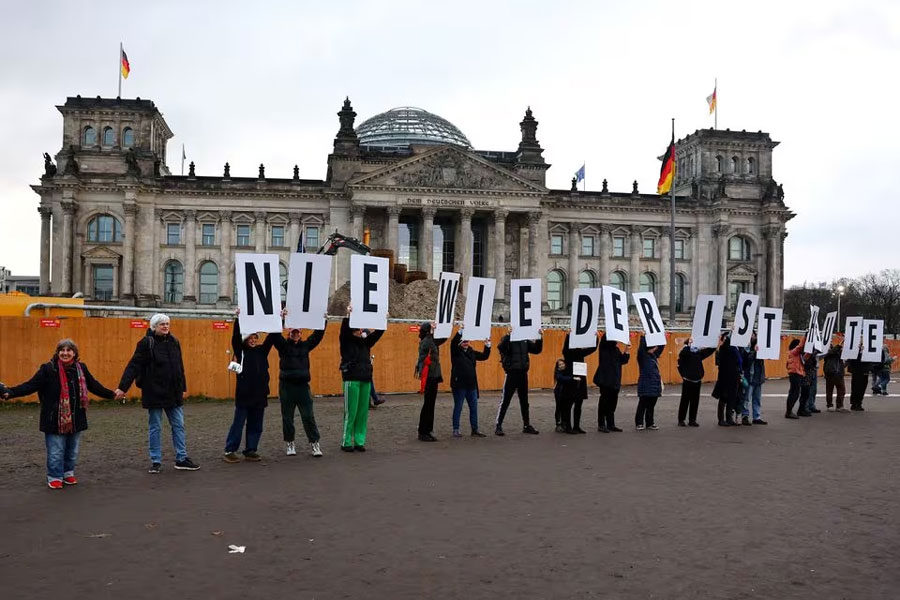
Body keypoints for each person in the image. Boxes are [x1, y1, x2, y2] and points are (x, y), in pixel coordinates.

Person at [2, 339, 116, 488]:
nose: (65, 353)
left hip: (76, 416)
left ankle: (68, 472)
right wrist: (10, 392)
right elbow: (30, 385)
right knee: (56, 450)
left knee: (72, 450)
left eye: (69, 350)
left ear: (74, 353)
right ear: (58, 352)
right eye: (62, 350)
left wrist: (112, 395)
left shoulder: (81, 368)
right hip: (53, 417)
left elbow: (93, 385)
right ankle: (54, 476)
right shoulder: (48, 369)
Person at [116, 314, 200, 474]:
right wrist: (122, 387)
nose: (166, 326)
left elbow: (179, 366)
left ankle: (181, 458)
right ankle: (156, 461)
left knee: (179, 426)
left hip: (173, 393)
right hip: (153, 392)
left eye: (167, 324)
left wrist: (182, 387)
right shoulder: (146, 343)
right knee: (155, 426)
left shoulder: (174, 342)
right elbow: (134, 365)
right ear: (154, 326)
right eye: (162, 324)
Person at [223, 313, 276, 463]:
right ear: (245, 340)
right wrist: (238, 318)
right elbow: (235, 337)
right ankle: (230, 450)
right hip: (244, 394)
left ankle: (251, 450)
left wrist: (280, 320)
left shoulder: (262, 351)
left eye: (255, 338)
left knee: (256, 424)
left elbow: (272, 337)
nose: (253, 340)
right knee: (238, 424)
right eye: (250, 338)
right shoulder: (240, 351)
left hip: (260, 394)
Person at [272, 310, 326, 457]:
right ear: (289, 332)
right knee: (287, 417)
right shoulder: (283, 346)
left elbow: (318, 335)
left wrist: (323, 320)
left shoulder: (305, 346)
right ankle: (290, 443)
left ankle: (314, 444)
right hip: (286, 387)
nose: (295, 334)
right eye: (293, 332)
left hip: (302, 386)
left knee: (308, 416)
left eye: (297, 332)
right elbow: (274, 335)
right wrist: (281, 319)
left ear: (301, 333)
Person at [338, 309, 384, 451]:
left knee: (362, 412)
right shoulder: (346, 341)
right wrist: (348, 315)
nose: (361, 331)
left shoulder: (365, 343)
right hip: (351, 379)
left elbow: (378, 334)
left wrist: (383, 321)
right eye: (358, 329)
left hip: (365, 380)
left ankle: (359, 441)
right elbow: (344, 330)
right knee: (351, 412)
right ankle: (346, 441)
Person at [495, 327, 543, 436]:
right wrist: (508, 335)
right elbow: (501, 347)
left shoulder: (525, 340)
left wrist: (540, 337)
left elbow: (536, 350)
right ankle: (498, 425)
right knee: (505, 401)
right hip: (511, 374)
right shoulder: (508, 338)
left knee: (524, 401)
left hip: (522, 373)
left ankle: (526, 425)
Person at [448, 329, 491, 437]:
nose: (466, 343)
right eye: (463, 341)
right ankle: (456, 429)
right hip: (459, 385)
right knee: (458, 407)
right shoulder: (455, 351)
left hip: (471, 385)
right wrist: (460, 332)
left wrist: (487, 345)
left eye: (467, 341)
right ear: (460, 343)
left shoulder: (472, 352)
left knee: (474, 408)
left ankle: (474, 429)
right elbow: (453, 342)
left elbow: (484, 356)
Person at [414, 321, 447, 442]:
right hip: (430, 376)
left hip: (432, 375)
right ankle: (423, 431)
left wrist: (445, 329)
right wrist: (437, 330)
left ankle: (427, 430)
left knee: (430, 404)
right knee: (428, 404)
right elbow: (437, 341)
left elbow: (440, 340)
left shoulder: (428, 340)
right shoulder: (427, 341)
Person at [561, 332, 597, 434]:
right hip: (571, 378)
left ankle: (576, 426)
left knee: (578, 403)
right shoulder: (568, 352)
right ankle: (568, 426)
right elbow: (566, 348)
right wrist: (568, 336)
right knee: (569, 403)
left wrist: (595, 338)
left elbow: (592, 349)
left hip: (580, 378)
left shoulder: (579, 352)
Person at [593, 333, 630, 432]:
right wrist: (611, 330)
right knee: (604, 402)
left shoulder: (616, 350)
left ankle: (610, 424)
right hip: (606, 380)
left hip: (615, 380)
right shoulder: (604, 348)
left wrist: (627, 350)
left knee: (612, 403)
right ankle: (601, 424)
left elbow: (623, 360)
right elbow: (604, 339)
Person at [676, 338, 715, 427]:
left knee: (695, 401)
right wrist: (689, 345)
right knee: (685, 400)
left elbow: (708, 351)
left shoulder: (698, 353)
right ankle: (681, 420)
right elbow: (683, 355)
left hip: (697, 380)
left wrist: (714, 343)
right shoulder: (686, 352)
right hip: (688, 380)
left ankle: (692, 420)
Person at [713, 332, 743, 426]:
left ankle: (729, 418)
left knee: (732, 397)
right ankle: (721, 419)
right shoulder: (727, 345)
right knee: (723, 397)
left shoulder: (736, 347)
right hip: (725, 375)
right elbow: (723, 349)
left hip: (735, 375)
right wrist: (725, 338)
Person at [635, 335, 665, 430]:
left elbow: (661, 347)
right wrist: (643, 337)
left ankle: (650, 423)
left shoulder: (654, 356)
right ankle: (639, 423)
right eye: (654, 347)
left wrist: (662, 338)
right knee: (643, 404)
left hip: (654, 384)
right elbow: (641, 348)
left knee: (651, 405)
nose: (656, 348)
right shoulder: (642, 357)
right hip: (645, 383)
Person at [739, 333, 768, 425]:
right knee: (746, 398)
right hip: (750, 377)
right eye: (751, 335)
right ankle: (745, 416)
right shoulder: (746, 349)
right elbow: (746, 361)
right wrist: (755, 352)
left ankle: (757, 417)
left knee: (757, 399)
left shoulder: (760, 348)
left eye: (754, 335)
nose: (753, 337)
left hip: (758, 377)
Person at [822, 337, 848, 412]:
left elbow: (840, 355)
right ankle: (830, 405)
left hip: (839, 372)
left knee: (841, 390)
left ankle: (839, 405)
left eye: (830, 342)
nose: (830, 343)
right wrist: (840, 344)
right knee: (830, 390)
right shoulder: (825, 350)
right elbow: (831, 352)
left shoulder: (836, 349)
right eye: (829, 342)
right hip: (831, 372)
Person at [785, 338, 806, 419]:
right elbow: (800, 347)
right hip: (795, 374)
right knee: (794, 393)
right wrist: (805, 337)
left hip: (796, 374)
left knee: (793, 393)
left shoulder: (796, 354)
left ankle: (789, 411)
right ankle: (789, 412)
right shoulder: (794, 352)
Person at [554, 358, 575, 433]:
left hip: (564, 392)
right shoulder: (558, 372)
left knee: (564, 408)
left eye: (563, 364)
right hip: (559, 392)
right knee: (559, 407)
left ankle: (564, 422)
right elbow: (560, 378)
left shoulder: (566, 372)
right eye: (560, 364)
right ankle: (558, 423)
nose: (562, 365)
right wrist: (572, 378)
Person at [804, 349, 822, 413]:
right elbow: (805, 358)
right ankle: (806, 407)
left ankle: (811, 405)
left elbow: (820, 357)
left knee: (813, 389)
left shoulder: (816, 350)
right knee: (807, 389)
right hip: (808, 369)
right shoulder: (807, 349)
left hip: (814, 369)